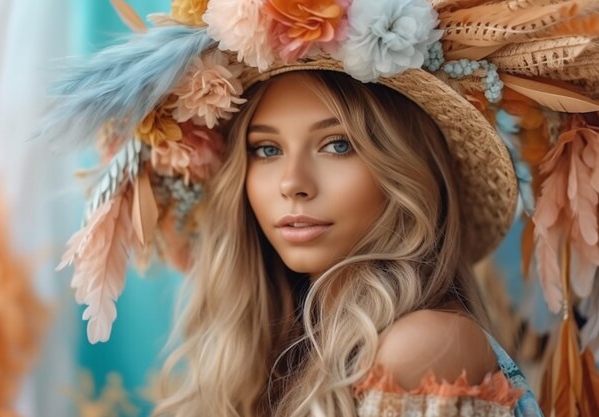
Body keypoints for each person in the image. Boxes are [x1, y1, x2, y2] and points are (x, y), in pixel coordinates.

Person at [47, 0, 599, 416]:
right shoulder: (280, 352)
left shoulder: (426, 344)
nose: (292, 184)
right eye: (266, 149)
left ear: (406, 170)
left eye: (338, 144)